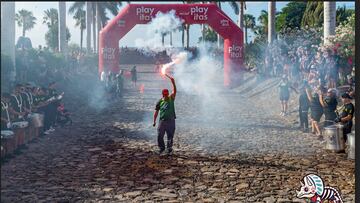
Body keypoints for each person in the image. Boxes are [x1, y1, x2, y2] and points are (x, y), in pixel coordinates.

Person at [153, 74, 177, 155]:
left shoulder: (171, 98)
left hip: (171, 120)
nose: (167, 95)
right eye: (165, 94)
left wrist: (173, 83)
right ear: (163, 94)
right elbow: (156, 111)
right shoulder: (160, 101)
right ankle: (161, 148)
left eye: (167, 93)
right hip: (162, 121)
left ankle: (169, 149)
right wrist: (154, 121)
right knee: (160, 135)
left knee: (170, 136)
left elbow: (174, 91)